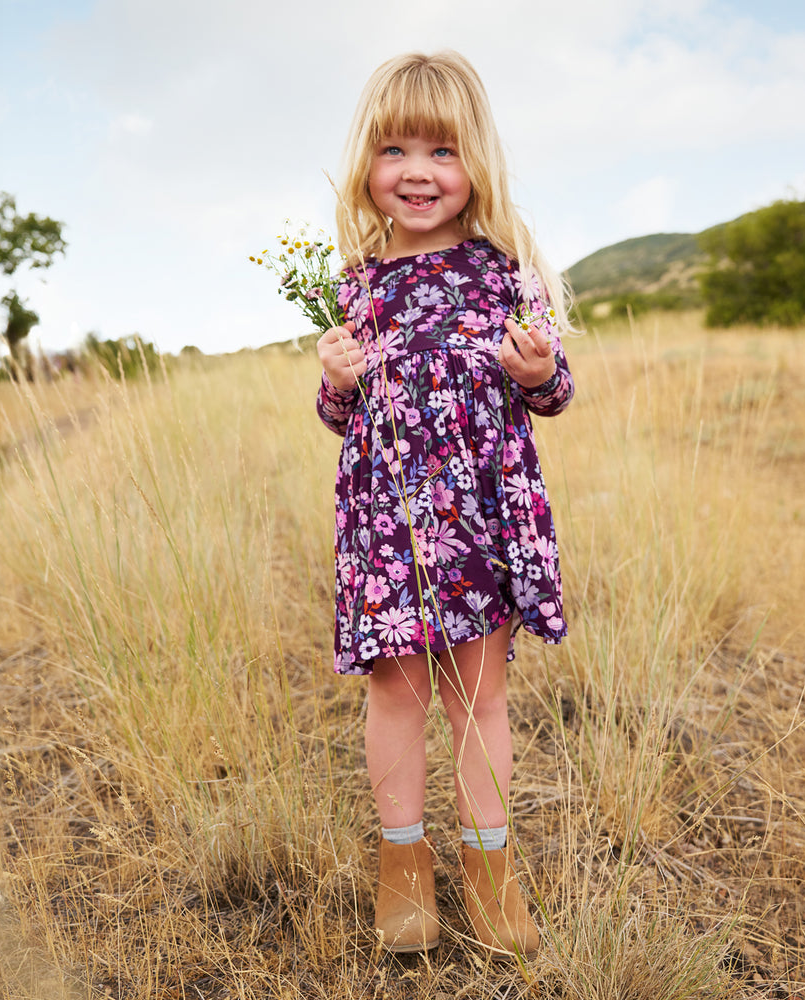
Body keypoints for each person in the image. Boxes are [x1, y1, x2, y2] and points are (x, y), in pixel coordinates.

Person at [314, 50, 574, 960]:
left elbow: (553, 390)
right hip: (387, 524)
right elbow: (340, 418)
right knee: (397, 691)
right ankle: (402, 865)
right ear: (368, 167)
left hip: (480, 519)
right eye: (394, 150)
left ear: (476, 166)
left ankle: (490, 872)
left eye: (442, 151)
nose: (417, 172)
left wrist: (538, 369)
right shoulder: (356, 282)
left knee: (481, 694)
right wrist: (334, 379)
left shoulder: (504, 270)